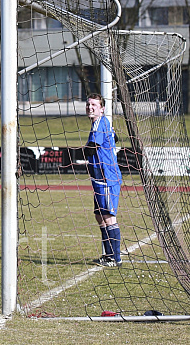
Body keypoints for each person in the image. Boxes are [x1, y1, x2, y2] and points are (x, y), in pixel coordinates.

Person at [84, 93, 123, 268]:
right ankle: (108, 255)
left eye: (94, 105)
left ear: (102, 108)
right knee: (99, 216)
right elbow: (115, 138)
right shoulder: (101, 123)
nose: (90, 107)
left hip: (106, 176)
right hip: (98, 176)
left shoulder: (100, 122)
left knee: (108, 217)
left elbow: (91, 149)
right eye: (88, 104)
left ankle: (116, 258)